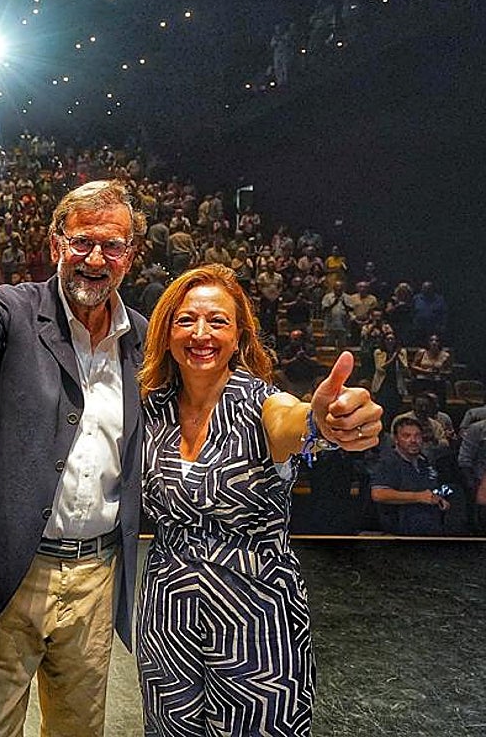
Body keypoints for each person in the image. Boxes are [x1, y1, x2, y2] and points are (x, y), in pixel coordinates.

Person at [0, 180, 149, 736]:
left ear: (130, 255)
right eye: (81, 242)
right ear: (55, 245)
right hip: (7, 571)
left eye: (112, 246)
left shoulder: (141, 339)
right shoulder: (13, 308)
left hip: (95, 579)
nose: (95, 259)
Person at [136, 263, 381, 736]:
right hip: (166, 611)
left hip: (257, 615)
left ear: (241, 337)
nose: (200, 333)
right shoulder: (151, 407)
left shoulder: (261, 402)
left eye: (218, 321)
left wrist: (324, 422)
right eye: (185, 320)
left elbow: (295, 423)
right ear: (166, 334)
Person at [372, 416, 448, 536]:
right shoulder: (388, 462)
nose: (413, 440)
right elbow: (378, 494)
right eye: (406, 436)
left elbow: (433, 488)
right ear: (396, 439)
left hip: (430, 531)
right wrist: (418, 497)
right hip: (400, 534)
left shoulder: (425, 461)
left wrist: (440, 499)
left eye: (417, 436)